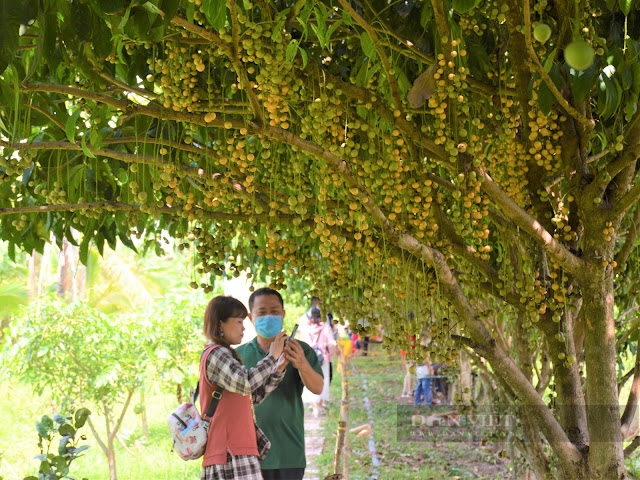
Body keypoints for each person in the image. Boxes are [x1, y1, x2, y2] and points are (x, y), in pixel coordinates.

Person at [236, 287, 324, 480]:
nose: (269, 316)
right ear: (251, 318)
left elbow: (318, 388)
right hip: (247, 455)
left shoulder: (300, 350)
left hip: (288, 453)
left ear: (283, 314)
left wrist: (302, 365)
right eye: (262, 312)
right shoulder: (239, 355)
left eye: (275, 311)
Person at [199, 296, 288, 480]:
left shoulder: (225, 354)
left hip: (237, 449)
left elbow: (253, 396)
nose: (244, 327)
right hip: (229, 451)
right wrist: (271, 357)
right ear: (220, 324)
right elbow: (246, 383)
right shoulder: (216, 353)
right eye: (239, 321)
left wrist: (277, 369)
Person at [299, 306, 336, 417]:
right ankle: (319, 406)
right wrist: (330, 356)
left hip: (308, 360)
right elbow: (332, 344)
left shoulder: (305, 328)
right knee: (323, 381)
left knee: (310, 381)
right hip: (322, 359)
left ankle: (315, 408)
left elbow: (301, 343)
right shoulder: (326, 328)